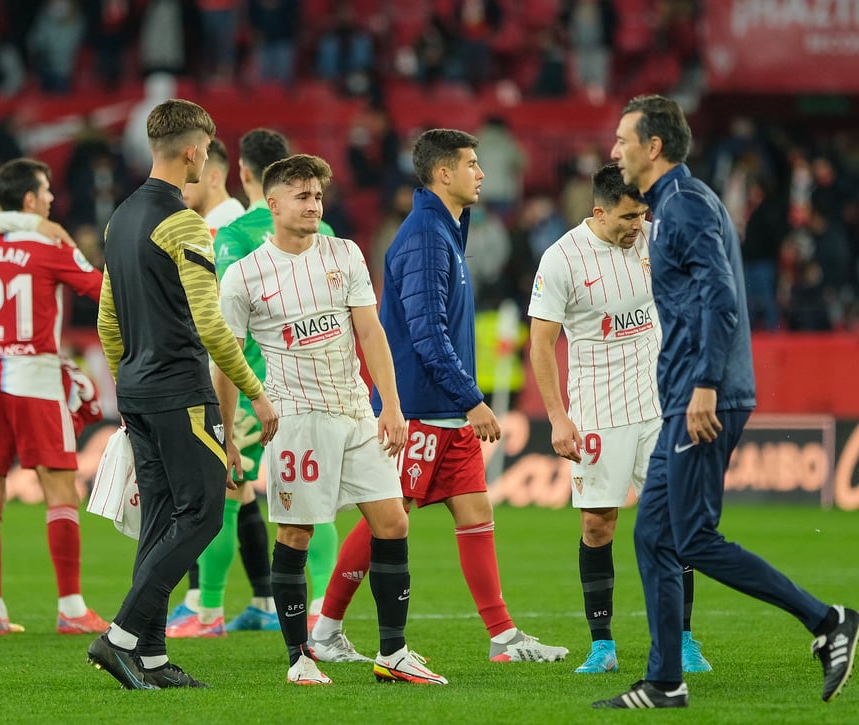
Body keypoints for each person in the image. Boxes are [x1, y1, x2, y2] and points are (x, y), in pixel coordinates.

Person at [594, 95, 857, 708]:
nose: (614, 150)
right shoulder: (682, 204)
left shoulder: (683, 208)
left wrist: (706, 384)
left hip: (702, 396)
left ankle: (827, 621)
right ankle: (663, 682)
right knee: (653, 536)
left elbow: (721, 297)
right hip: (686, 395)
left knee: (692, 538)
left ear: (652, 146)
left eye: (622, 139)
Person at [308, 129, 569, 665]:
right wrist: (471, 398)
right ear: (442, 173)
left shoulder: (445, 229)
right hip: (422, 410)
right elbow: (426, 332)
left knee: (476, 514)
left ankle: (503, 637)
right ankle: (326, 630)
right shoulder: (425, 235)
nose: (481, 173)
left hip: (445, 410)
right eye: (472, 164)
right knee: (387, 515)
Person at [217, 153, 442, 686]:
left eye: (317, 195)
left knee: (393, 521)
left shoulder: (345, 254)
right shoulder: (245, 276)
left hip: (355, 411)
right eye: (301, 195)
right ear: (273, 204)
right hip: (296, 419)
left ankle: (393, 652)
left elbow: (371, 332)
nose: (314, 204)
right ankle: (299, 658)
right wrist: (228, 435)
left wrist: (391, 402)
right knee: (296, 532)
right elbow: (224, 361)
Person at [88, 98, 277, 690]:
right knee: (200, 518)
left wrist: (127, 382)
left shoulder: (119, 219)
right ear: (196, 150)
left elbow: (107, 323)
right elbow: (212, 325)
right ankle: (119, 638)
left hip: (139, 391)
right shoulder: (184, 222)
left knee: (162, 520)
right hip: (180, 392)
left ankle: (148, 656)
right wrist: (255, 394)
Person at [529, 163, 711, 674]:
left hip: (659, 405)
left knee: (678, 521)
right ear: (599, 211)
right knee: (597, 525)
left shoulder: (656, 239)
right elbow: (541, 342)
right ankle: (602, 646)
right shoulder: (562, 258)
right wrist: (556, 416)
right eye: (629, 216)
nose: (639, 224)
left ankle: (683, 639)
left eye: (644, 213)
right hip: (596, 411)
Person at [168, 128, 340, 639]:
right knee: (313, 499)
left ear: (245, 173)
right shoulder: (326, 231)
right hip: (312, 381)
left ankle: (207, 611)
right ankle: (321, 612)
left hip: (250, 385)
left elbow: (224, 324)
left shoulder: (236, 236)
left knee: (228, 489)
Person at [0, 158, 108, 636]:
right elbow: (99, 290)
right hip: (34, 379)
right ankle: (71, 608)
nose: (52, 198)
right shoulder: (48, 244)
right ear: (29, 200)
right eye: (46, 191)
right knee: (60, 492)